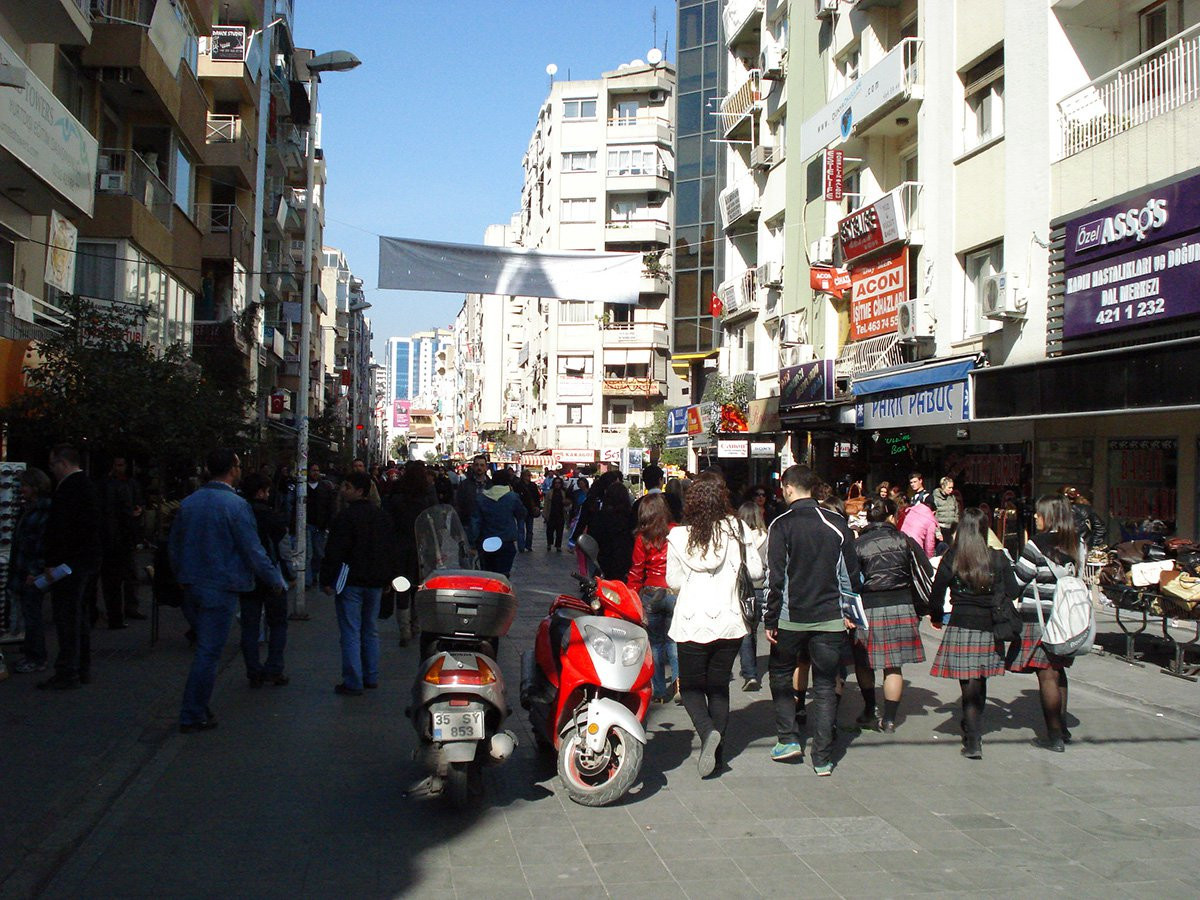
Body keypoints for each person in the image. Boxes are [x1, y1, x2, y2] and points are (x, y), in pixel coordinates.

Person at [170, 449, 286, 729]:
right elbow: (252, 550)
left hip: (193, 583)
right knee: (209, 652)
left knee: (205, 647)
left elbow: (174, 545)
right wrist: (275, 579)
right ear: (233, 469)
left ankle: (198, 707)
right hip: (221, 584)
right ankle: (192, 712)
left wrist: (181, 576)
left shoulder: (190, 503)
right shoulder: (235, 506)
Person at [763, 464, 859, 775]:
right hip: (830, 618)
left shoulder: (781, 524)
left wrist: (770, 618)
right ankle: (822, 757)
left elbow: (775, 577)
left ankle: (788, 738)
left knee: (780, 674)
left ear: (789, 488)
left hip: (791, 617)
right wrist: (850, 612)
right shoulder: (836, 523)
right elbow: (849, 574)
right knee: (825, 685)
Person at [666, 476, 763, 777]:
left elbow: (673, 581)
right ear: (723, 498)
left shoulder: (679, 536)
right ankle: (717, 758)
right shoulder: (738, 528)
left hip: (691, 621)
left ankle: (708, 732)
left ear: (692, 502)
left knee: (691, 687)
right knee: (718, 687)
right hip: (730, 619)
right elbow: (757, 571)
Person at [928, 508, 1010, 759]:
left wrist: (935, 616)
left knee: (968, 682)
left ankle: (973, 738)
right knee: (980, 678)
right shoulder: (996, 557)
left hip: (961, 622)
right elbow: (1013, 589)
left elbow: (937, 591)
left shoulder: (953, 556)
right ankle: (973, 728)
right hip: (988, 624)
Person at [1005, 495, 1081, 753]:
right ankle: (1063, 727)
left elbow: (1017, 582)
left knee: (1046, 674)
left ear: (1049, 516)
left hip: (1041, 618)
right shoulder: (1076, 543)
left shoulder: (1036, 544)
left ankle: (1054, 735)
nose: (1035, 517)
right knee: (1059, 670)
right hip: (1068, 618)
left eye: (1039, 513)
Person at [850, 498, 933, 732]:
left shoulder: (858, 544)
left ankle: (869, 709)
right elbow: (926, 569)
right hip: (901, 603)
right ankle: (889, 719)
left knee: (864, 662)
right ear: (891, 517)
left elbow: (850, 578)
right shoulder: (904, 540)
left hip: (868, 606)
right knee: (893, 665)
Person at [320, 471, 396, 696]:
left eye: (347, 487)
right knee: (370, 629)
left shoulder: (345, 518)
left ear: (360, 491)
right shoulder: (382, 517)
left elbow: (334, 551)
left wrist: (327, 579)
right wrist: (388, 577)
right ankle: (371, 675)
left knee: (351, 631)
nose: (343, 491)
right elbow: (390, 550)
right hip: (375, 581)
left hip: (351, 580)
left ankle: (353, 680)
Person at [38, 445, 104, 690]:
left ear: (62, 463)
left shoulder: (69, 489)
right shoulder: (88, 485)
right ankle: (80, 667)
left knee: (67, 617)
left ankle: (68, 671)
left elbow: (61, 529)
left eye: (53, 464)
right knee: (79, 616)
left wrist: (52, 561)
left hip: (70, 563)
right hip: (86, 560)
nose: (51, 470)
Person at [237, 473, 292, 687]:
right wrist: (289, 574)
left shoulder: (240, 513)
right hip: (271, 574)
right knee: (277, 623)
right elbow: (283, 548)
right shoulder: (272, 517)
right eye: (266, 491)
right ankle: (274, 668)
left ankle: (253, 670)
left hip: (247, 575)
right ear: (260, 492)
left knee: (250, 627)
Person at [627, 493, 677, 703]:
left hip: (651, 591)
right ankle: (679, 683)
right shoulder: (676, 532)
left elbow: (637, 570)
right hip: (674, 590)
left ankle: (659, 691)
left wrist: (631, 595)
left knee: (655, 643)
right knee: (674, 640)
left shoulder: (642, 537)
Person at [383, 461, 437, 645]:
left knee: (402, 587)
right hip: (421, 550)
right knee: (419, 587)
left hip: (399, 549)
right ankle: (416, 625)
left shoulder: (396, 499)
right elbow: (434, 525)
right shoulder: (427, 500)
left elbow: (388, 524)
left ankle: (404, 629)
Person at [8, 468, 54, 675]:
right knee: (29, 613)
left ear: (35, 487)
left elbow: (43, 544)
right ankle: (32, 654)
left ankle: (36, 657)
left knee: (32, 614)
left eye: (25, 485)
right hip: (25, 569)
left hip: (30, 571)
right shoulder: (30, 509)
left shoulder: (41, 511)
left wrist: (35, 570)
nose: (21, 489)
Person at [98, 455, 144, 628]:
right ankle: (119, 612)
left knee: (126, 575)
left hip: (122, 536)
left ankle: (125, 609)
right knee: (118, 577)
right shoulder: (112, 485)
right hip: (118, 537)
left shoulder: (127, 484)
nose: (119, 468)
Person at [736, 500, 768, 692]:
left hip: (742, 588)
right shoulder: (766, 536)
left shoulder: (737, 538)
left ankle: (750, 673)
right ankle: (751, 666)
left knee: (746, 630)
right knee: (754, 629)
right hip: (761, 587)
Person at [476, 468, 526, 577]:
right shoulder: (512, 497)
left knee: (488, 573)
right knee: (503, 574)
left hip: (487, 540)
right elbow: (522, 513)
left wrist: (472, 542)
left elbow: (476, 522)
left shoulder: (482, 498)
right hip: (506, 540)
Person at [589, 480, 636, 582]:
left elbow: (592, 537)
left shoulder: (600, 517)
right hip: (626, 559)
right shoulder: (631, 517)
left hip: (605, 559)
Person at [303, 463, 336, 588]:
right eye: (313, 470)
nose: (315, 473)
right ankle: (307, 580)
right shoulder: (303, 486)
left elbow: (330, 506)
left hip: (320, 525)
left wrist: (328, 523)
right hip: (307, 524)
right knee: (308, 553)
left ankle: (314, 574)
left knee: (318, 553)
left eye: (317, 470)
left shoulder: (325, 487)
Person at [454, 454, 491, 545]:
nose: (479, 468)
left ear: (486, 467)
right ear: (473, 466)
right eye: (477, 465)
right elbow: (458, 504)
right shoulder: (465, 484)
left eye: (482, 465)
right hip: (468, 525)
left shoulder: (491, 485)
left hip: (487, 526)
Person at [1063, 486, 1107, 550]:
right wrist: (1093, 545)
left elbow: (1100, 528)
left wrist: (1093, 544)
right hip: (1082, 546)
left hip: (1075, 547)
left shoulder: (1082, 510)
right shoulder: (1086, 509)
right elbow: (1100, 528)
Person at [900, 493, 938, 557]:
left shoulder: (911, 511)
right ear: (933, 512)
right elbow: (929, 544)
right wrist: (929, 559)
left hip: (901, 541)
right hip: (915, 548)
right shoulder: (931, 521)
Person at [515, 469, 542, 552]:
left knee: (529, 530)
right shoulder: (518, 485)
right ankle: (521, 547)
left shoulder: (533, 485)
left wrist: (537, 506)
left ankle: (528, 545)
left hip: (530, 510)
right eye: (528, 475)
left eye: (530, 475)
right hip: (521, 510)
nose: (529, 477)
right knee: (521, 529)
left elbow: (537, 497)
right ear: (523, 476)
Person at [544, 476, 568, 551]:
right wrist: (545, 514)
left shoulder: (563, 493)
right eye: (556, 483)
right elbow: (546, 504)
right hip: (551, 514)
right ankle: (549, 543)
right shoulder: (549, 493)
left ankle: (558, 545)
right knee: (549, 531)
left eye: (559, 483)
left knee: (559, 531)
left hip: (560, 514)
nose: (557, 484)